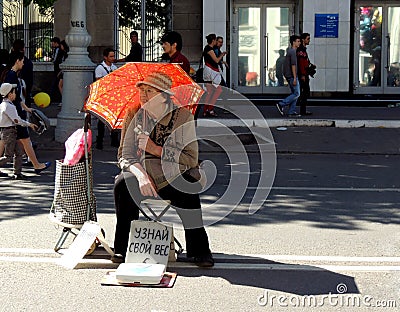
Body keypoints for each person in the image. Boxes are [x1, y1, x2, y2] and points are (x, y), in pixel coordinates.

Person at [112, 71, 214, 267]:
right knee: (122, 185)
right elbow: (124, 155)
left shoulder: (183, 117)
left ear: (164, 96)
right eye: (141, 90)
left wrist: (155, 149)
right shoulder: (134, 114)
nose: (143, 95)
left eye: (149, 91)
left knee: (189, 188)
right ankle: (122, 248)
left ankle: (199, 250)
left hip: (171, 175)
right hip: (141, 175)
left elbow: (190, 159)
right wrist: (141, 176)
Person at [4, 51, 51, 177]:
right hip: (15, 114)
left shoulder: (13, 75)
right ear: (17, 61)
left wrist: (26, 108)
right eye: (23, 61)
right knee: (24, 140)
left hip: (15, 112)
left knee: (14, 142)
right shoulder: (11, 76)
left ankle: (21, 170)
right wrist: (23, 110)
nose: (24, 63)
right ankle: (36, 165)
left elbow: (17, 97)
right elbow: (13, 97)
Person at [0, 83, 37, 178]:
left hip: (9, 131)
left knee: (18, 152)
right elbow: (17, 120)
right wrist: (29, 124)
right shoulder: (9, 106)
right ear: (10, 94)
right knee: (8, 156)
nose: (15, 94)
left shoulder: (3, 104)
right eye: (14, 92)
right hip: (9, 132)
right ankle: (17, 172)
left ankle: (17, 173)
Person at [94, 48, 119, 150]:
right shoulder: (100, 68)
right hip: (103, 97)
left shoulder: (114, 67)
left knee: (113, 118)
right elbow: (99, 83)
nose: (113, 58)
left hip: (113, 96)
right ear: (105, 57)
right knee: (102, 120)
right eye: (111, 56)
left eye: (113, 56)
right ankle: (99, 141)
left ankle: (114, 140)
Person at [276, 35, 301, 117]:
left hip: (289, 75)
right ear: (293, 42)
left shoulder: (290, 51)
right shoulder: (293, 52)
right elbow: (293, 65)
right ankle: (282, 104)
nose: (299, 43)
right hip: (292, 76)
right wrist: (294, 78)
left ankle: (291, 111)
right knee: (297, 93)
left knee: (295, 93)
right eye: (298, 41)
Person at [202, 33, 227, 117]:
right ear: (213, 40)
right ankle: (210, 109)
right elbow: (216, 60)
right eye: (216, 40)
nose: (217, 41)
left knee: (211, 91)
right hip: (211, 71)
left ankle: (207, 110)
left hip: (209, 71)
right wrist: (222, 55)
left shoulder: (208, 48)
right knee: (217, 90)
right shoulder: (210, 49)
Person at [12, 40, 33, 108]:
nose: (22, 63)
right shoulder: (27, 62)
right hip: (22, 91)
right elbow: (30, 80)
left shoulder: (9, 59)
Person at [296, 33, 313, 115]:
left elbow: (305, 62)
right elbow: (301, 63)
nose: (309, 40)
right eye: (308, 39)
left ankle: (303, 110)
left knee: (305, 92)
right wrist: (303, 75)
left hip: (304, 73)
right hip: (303, 74)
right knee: (304, 92)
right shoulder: (301, 50)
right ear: (303, 40)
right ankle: (302, 110)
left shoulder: (303, 50)